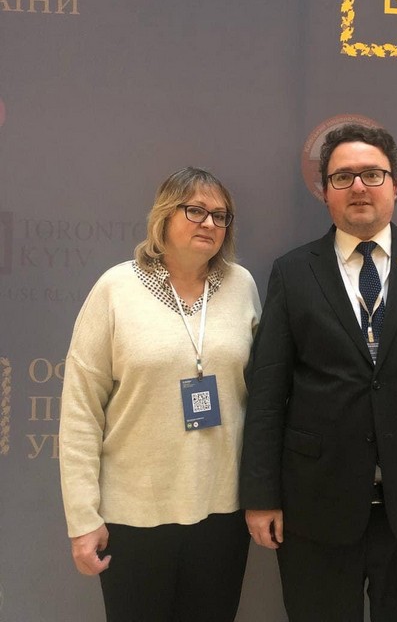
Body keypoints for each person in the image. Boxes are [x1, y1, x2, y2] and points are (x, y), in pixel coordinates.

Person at [239, 124, 397, 622]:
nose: (358, 186)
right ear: (325, 191)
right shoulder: (292, 272)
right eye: (343, 177)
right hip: (316, 507)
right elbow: (268, 392)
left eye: (372, 174)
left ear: (395, 185)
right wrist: (260, 496)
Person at [59, 167, 261, 622]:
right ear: (164, 216)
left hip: (222, 511)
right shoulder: (116, 289)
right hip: (135, 515)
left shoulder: (242, 287)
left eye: (221, 216)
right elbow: (80, 412)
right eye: (196, 211)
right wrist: (82, 518)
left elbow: (262, 397)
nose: (209, 223)